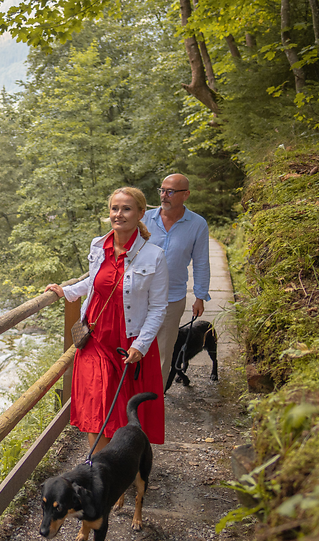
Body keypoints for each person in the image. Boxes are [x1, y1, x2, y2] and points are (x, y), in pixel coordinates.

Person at [46, 187, 169, 451]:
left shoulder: (154, 256)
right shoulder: (98, 245)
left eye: (126, 209)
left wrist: (141, 345)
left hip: (128, 342)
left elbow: (158, 308)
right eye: (115, 208)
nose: (119, 214)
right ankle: (97, 470)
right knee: (97, 409)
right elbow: (96, 281)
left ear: (140, 214)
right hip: (95, 338)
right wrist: (67, 291)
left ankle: (124, 468)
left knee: (124, 415)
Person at [141, 174, 211, 388]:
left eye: (170, 191)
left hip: (172, 298)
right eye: (162, 190)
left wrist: (200, 296)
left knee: (163, 350)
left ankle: (155, 397)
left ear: (185, 195)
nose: (164, 195)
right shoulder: (144, 219)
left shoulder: (197, 224)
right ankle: (133, 394)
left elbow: (201, 262)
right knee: (136, 346)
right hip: (138, 296)